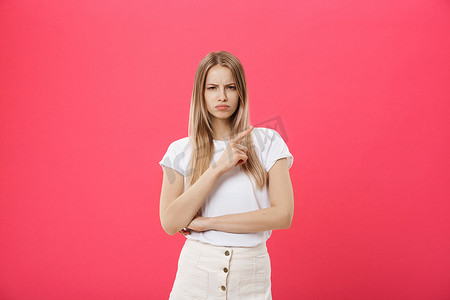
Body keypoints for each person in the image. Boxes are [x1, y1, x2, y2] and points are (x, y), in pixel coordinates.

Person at [159, 50, 294, 299]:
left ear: (240, 91)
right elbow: (170, 222)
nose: (222, 96)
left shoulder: (269, 142)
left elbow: (283, 215)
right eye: (212, 88)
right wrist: (218, 168)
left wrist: (209, 223)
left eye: (230, 87)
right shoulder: (179, 150)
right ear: (201, 93)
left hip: (251, 273)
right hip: (196, 274)